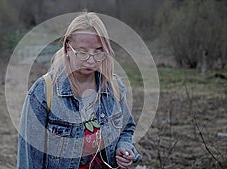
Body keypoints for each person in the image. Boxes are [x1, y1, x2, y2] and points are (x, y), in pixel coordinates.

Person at [17, 12, 141, 169]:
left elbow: (126, 128)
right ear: (67, 48)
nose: (91, 60)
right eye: (82, 52)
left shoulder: (114, 87)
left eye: (98, 51)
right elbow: (29, 160)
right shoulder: (42, 93)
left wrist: (124, 147)